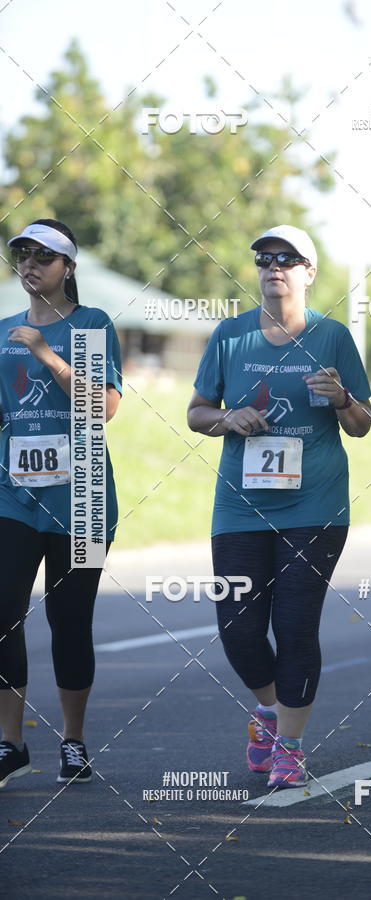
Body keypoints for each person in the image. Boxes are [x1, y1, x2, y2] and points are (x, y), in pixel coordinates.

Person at [187, 225, 371, 788]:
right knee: (238, 630)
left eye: (287, 259)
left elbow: (362, 424)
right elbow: (197, 412)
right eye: (265, 259)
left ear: (309, 272)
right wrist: (227, 418)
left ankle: (290, 746)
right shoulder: (231, 335)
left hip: (314, 506)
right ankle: (270, 712)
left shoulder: (332, 336)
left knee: (294, 627)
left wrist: (342, 398)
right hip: (240, 507)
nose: (274, 267)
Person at [0, 219, 122, 788]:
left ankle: (73, 742)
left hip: (85, 498)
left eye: (42, 257)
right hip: (13, 496)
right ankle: (11, 743)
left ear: (68, 267)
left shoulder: (92, 324)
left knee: (69, 620)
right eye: (21, 254)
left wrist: (47, 354)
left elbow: (104, 408)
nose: (29, 264)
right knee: (3, 614)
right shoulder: (2, 331)